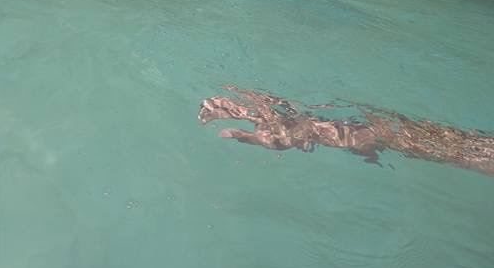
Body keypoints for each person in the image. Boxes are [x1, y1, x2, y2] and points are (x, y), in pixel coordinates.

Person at [198, 86, 494, 176]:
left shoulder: (276, 130)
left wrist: (248, 138)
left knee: (452, 151)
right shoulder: (281, 118)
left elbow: (282, 139)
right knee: (447, 141)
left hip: (370, 133)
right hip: (372, 129)